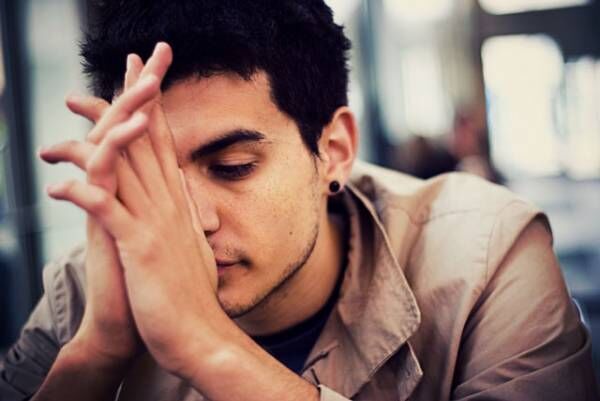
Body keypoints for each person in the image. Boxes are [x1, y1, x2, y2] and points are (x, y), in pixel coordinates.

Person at [1, 1, 598, 400]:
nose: (190, 221)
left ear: (333, 151)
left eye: (232, 168)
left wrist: (206, 344)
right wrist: (96, 352)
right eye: (149, 175)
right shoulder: (86, 291)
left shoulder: (484, 254)